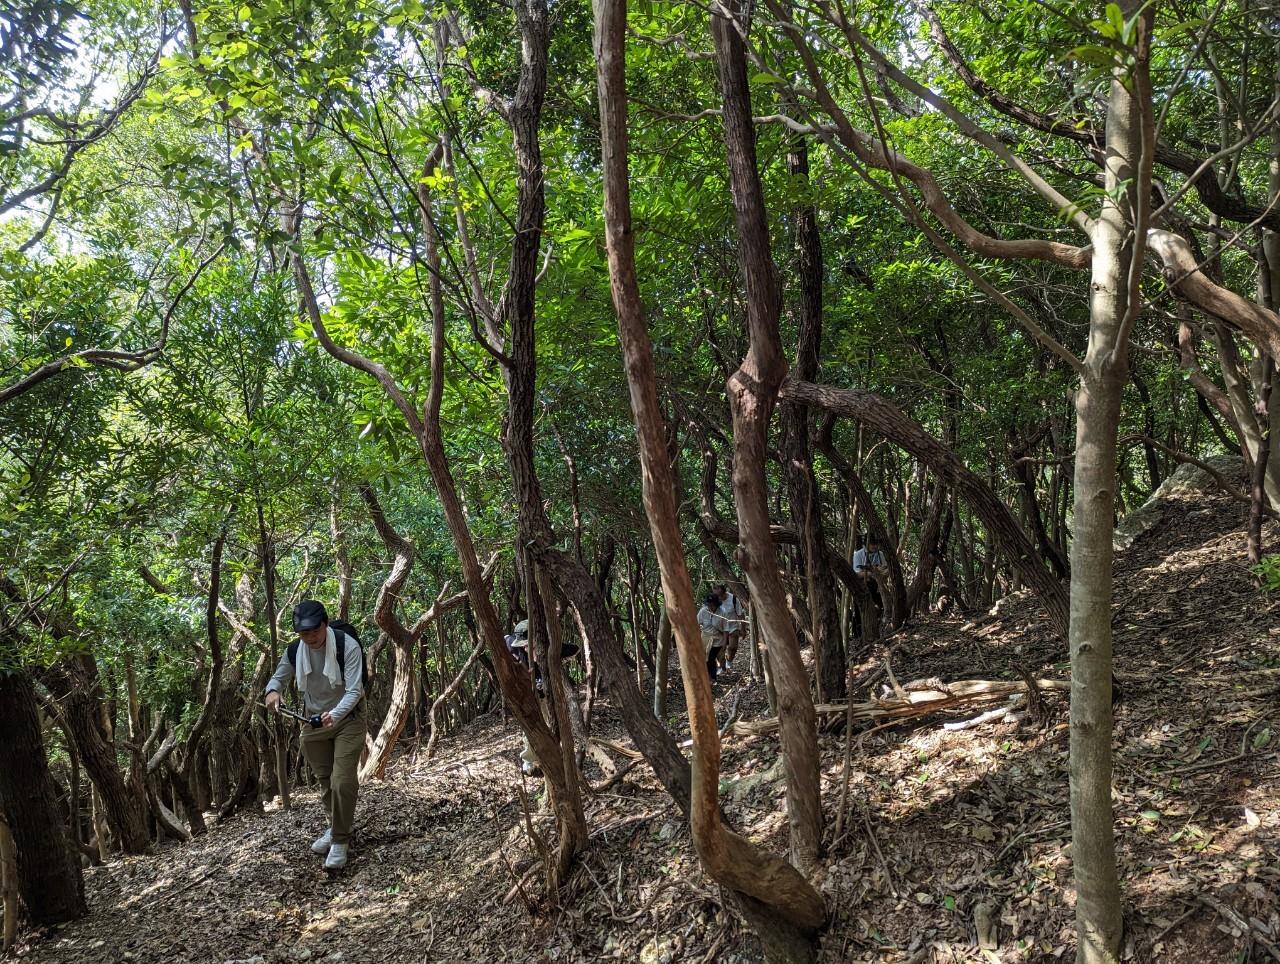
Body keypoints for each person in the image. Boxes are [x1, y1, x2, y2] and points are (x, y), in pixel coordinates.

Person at [265, 600, 365, 870]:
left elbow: (355, 690)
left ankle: (341, 840)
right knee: (324, 780)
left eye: (314, 632)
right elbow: (278, 677)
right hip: (313, 721)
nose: (310, 638)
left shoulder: (347, 645)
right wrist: (272, 691)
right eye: (303, 633)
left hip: (348, 719)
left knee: (341, 780)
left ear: (325, 624)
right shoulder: (296, 650)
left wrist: (336, 714)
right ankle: (335, 828)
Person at [715, 584, 746, 673]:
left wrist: (743, 629)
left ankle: (729, 662)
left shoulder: (733, 599)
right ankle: (722, 666)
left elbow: (740, 614)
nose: (719, 598)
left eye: (720, 596)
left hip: (732, 627)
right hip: (719, 629)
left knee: (733, 647)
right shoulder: (714, 600)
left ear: (725, 593)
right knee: (719, 649)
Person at [697, 592, 725, 681]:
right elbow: (696, 624)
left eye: (712, 605)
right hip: (705, 637)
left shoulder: (722, 612)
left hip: (718, 638)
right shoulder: (703, 611)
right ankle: (707, 676)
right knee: (705, 658)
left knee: (711, 658)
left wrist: (724, 643)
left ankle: (712, 677)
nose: (710, 607)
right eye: (709, 605)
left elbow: (726, 629)